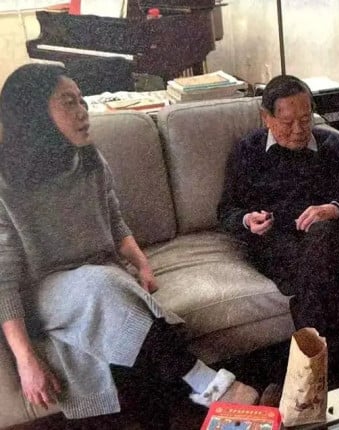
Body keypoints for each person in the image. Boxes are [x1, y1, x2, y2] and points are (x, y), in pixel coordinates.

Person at [0, 64, 256, 429]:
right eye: (68, 102)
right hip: (43, 292)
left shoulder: (88, 159)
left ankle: (224, 417)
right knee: (105, 285)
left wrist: (143, 264)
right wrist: (26, 359)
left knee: (123, 310)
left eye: (82, 100)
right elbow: (4, 281)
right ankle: (213, 387)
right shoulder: (4, 182)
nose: (82, 111)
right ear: (33, 113)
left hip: (103, 278)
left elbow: (115, 220)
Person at [217, 75, 339, 335]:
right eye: (287, 123)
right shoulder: (248, 151)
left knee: (323, 237)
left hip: (324, 238)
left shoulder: (332, 146)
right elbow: (226, 211)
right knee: (327, 272)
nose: (298, 130)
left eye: (306, 120)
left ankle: (312, 348)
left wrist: (331, 209)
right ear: (266, 118)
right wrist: (248, 220)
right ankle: (327, 348)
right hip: (275, 243)